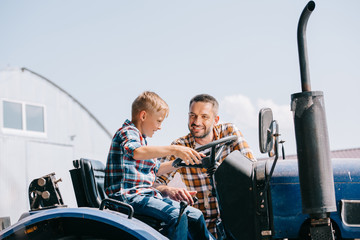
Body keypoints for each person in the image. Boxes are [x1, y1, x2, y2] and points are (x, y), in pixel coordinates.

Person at [104, 91, 215, 240]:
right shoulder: (128, 132)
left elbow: (156, 170)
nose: (160, 127)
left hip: (144, 196)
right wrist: (174, 149)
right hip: (128, 197)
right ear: (143, 116)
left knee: (196, 215)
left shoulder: (141, 140)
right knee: (177, 215)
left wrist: (182, 161)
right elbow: (136, 152)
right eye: (158, 121)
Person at [155, 93, 256, 238]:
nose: (196, 121)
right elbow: (153, 180)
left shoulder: (229, 133)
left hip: (236, 221)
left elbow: (251, 169)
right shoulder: (180, 146)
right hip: (203, 226)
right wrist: (167, 190)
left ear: (216, 120)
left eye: (204, 117)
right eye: (192, 115)